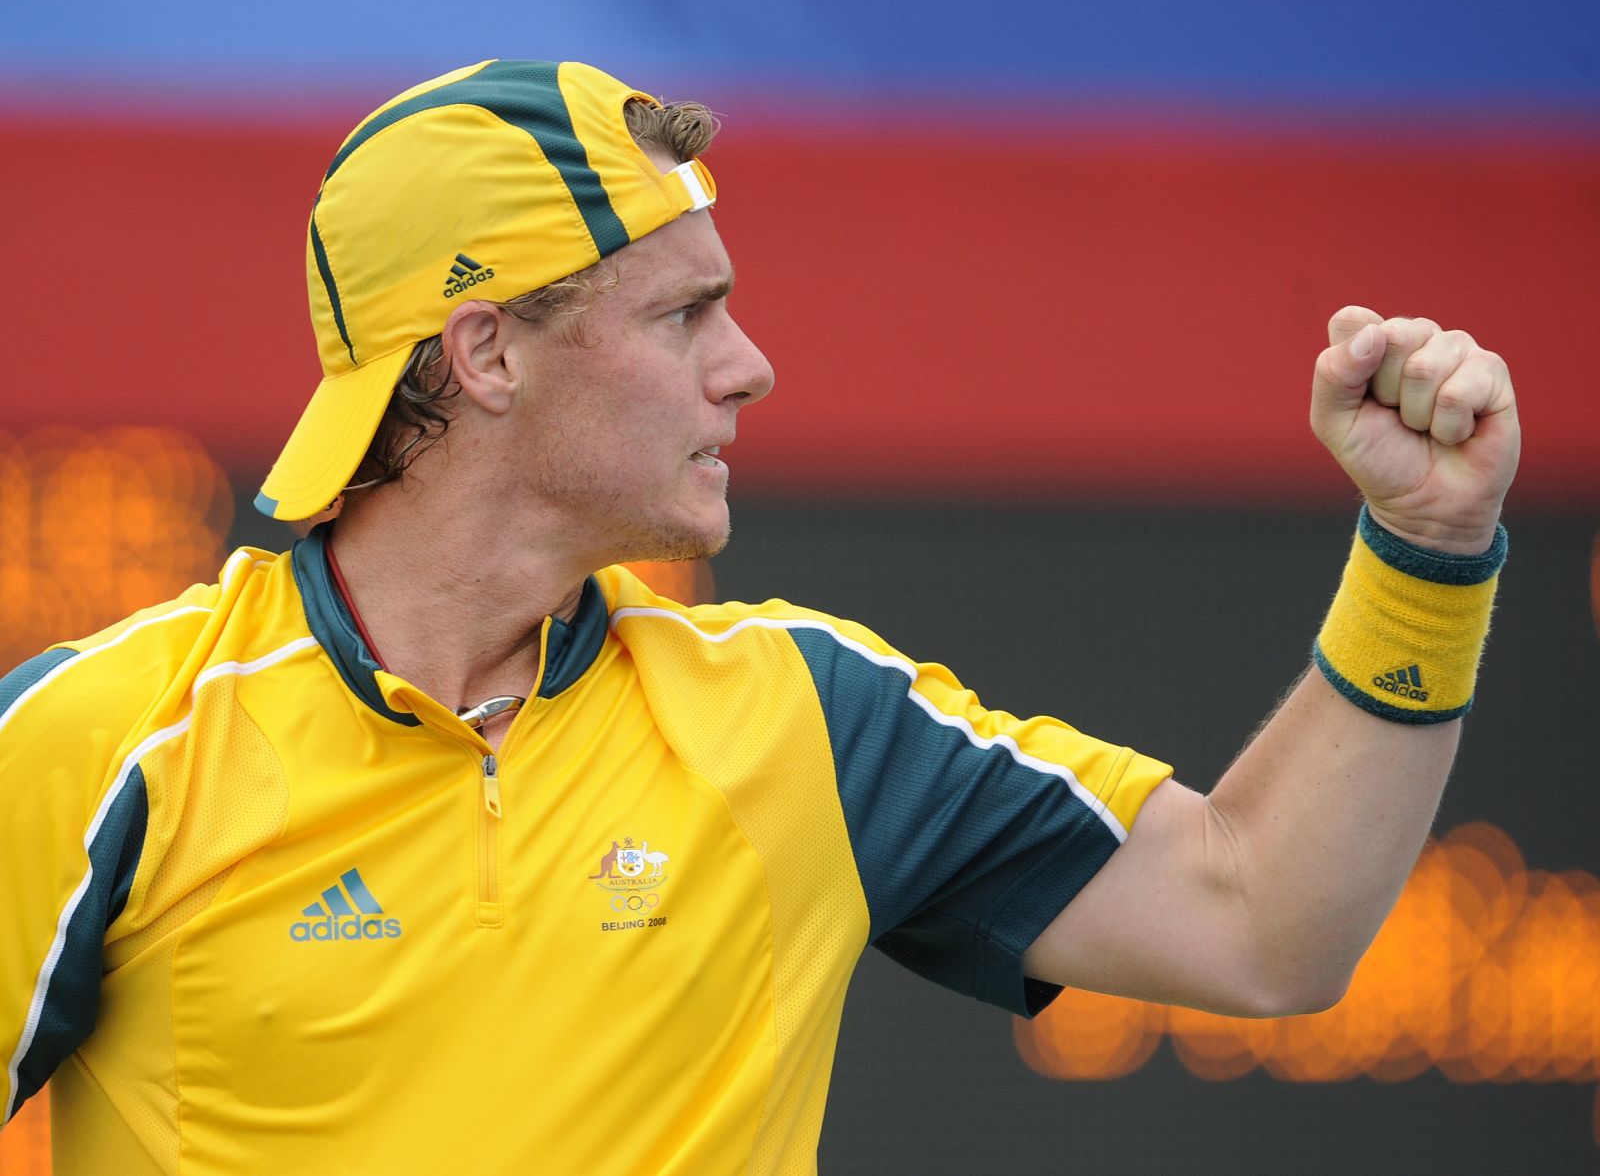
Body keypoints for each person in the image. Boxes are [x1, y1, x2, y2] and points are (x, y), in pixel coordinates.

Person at [0, 59, 1517, 1175]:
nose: (751, 365)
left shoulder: (807, 713)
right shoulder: (104, 741)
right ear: (487, 353)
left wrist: (1427, 549)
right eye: (682, 313)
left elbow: (1268, 924)